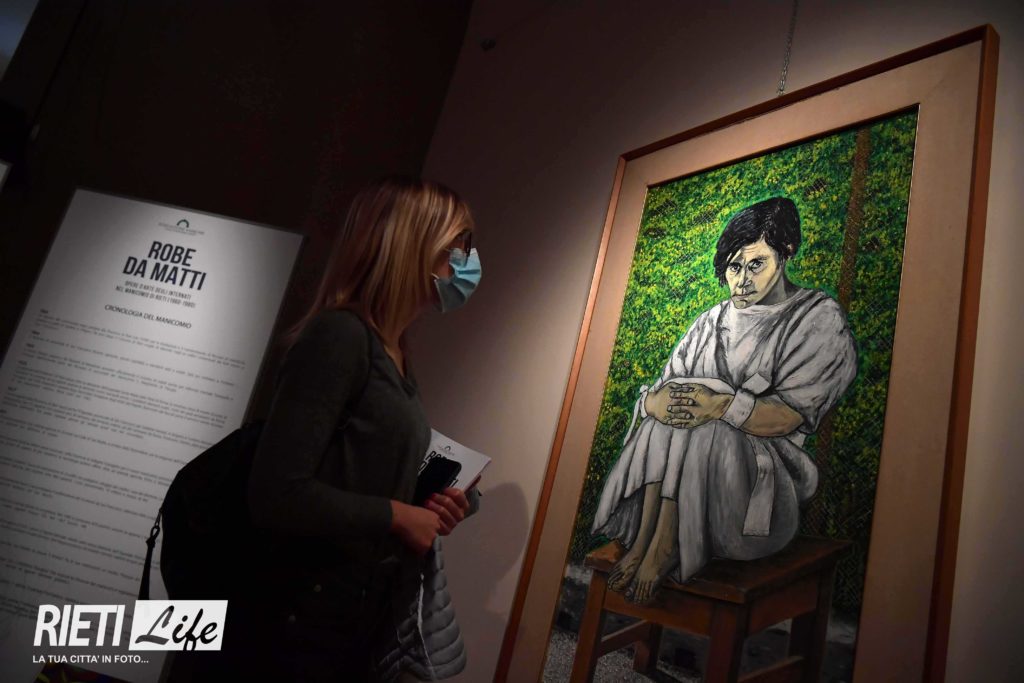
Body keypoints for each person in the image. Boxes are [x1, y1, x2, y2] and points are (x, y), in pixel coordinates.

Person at [168, 176, 482, 681]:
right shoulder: (340, 337)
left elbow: (357, 472)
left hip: (339, 623)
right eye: (457, 246)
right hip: (290, 629)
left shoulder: (395, 352)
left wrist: (440, 498)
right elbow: (278, 494)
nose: (467, 261)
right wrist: (398, 516)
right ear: (414, 247)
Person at [591, 196, 857, 605]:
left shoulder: (817, 318)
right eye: (734, 267)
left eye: (756, 264)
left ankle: (665, 544)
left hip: (755, 498)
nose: (742, 281)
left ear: (786, 252)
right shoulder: (711, 322)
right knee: (672, 412)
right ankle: (647, 538)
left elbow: (788, 417)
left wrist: (720, 406)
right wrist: (653, 404)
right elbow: (667, 390)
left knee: (707, 422)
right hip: (688, 481)